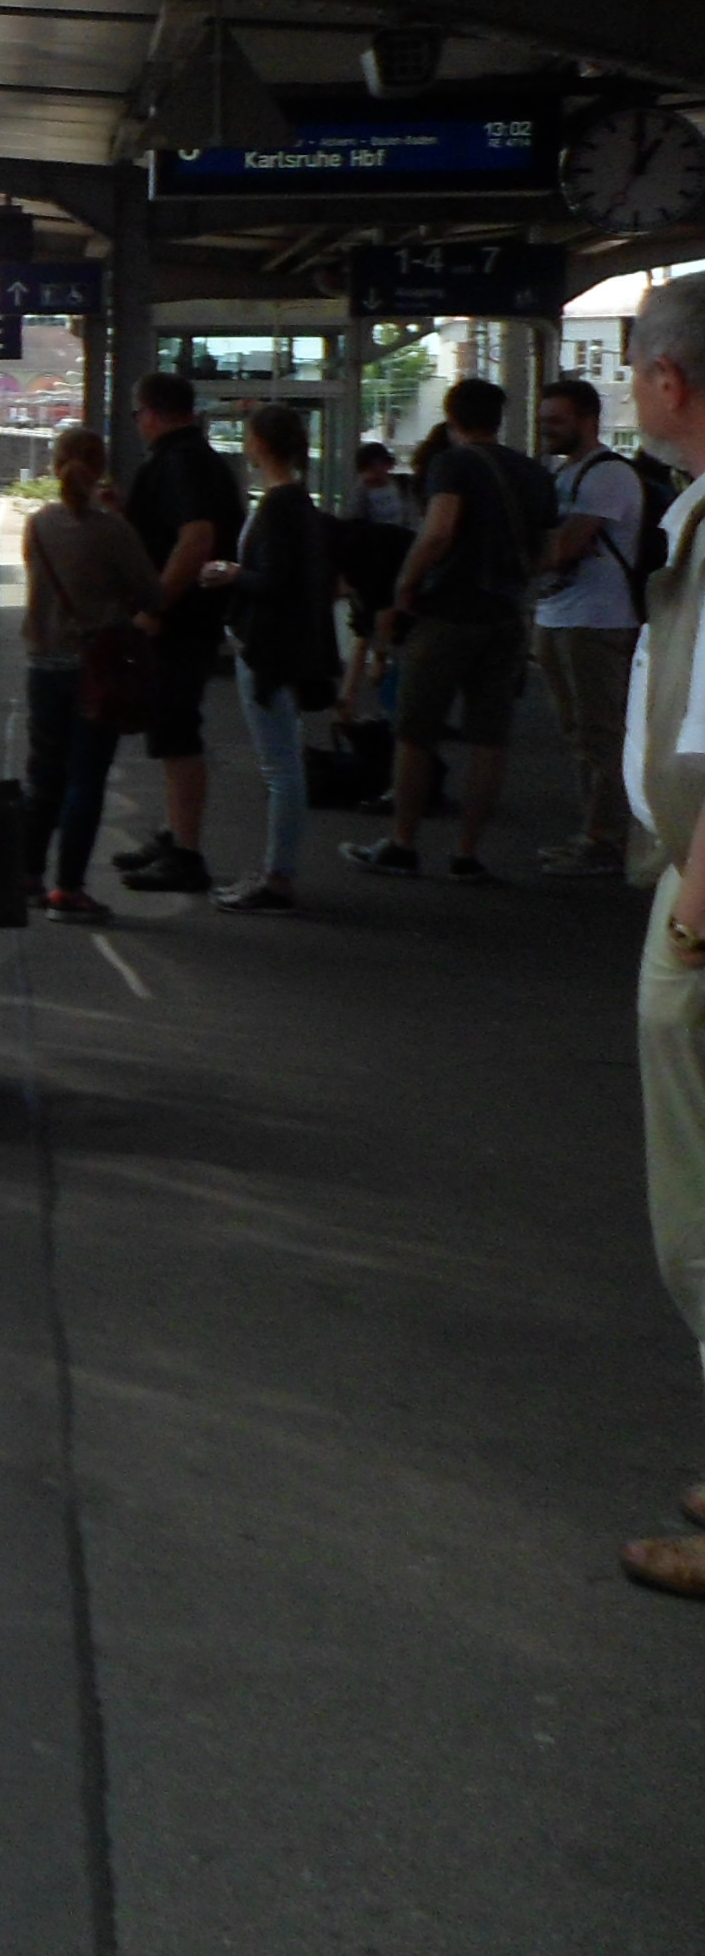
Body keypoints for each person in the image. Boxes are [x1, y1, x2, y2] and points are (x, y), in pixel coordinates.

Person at [608, 278, 705, 1598]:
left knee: (701, 1220)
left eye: (635, 370)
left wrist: (693, 908)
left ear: (670, 382)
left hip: (703, 900)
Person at [345, 377, 533, 881]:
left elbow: (439, 531)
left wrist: (406, 584)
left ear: (452, 419)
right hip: (506, 615)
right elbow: (549, 547)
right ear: (499, 419)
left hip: (448, 612)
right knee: (489, 739)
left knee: (415, 731)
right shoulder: (530, 471)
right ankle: (468, 853)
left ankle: (403, 844)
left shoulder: (454, 464)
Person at [18, 422, 166, 924]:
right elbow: (151, 594)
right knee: (85, 778)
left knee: (43, 774)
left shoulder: (38, 525)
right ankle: (69, 889)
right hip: (95, 670)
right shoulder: (112, 529)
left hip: (42, 664)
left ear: (55, 465)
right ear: (100, 468)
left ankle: (28, 875)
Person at [200, 403, 339, 914]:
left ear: (260, 444)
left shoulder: (280, 507)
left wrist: (232, 575)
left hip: (266, 648)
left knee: (280, 767)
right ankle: (277, 871)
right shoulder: (294, 502)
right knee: (282, 762)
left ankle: (278, 876)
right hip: (278, 645)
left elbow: (275, 581)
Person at [110, 374, 246, 893]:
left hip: (180, 623)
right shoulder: (197, 459)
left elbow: (196, 537)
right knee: (170, 731)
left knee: (176, 732)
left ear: (151, 413)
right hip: (193, 620)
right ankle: (174, 835)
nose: (137, 424)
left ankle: (187, 853)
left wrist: (156, 604)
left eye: (137, 414)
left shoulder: (180, 462)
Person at [534, 374, 648, 877]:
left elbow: (565, 546)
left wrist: (517, 555)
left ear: (588, 420)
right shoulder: (566, 473)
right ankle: (595, 833)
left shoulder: (608, 476)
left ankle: (607, 839)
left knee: (599, 733)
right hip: (562, 615)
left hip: (598, 621)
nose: (547, 429)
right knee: (579, 731)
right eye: (544, 420)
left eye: (557, 421)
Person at [337, 440, 417, 724]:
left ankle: (351, 697)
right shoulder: (363, 492)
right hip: (379, 565)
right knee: (379, 626)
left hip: (391, 560)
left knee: (367, 631)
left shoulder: (397, 487)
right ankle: (375, 689)